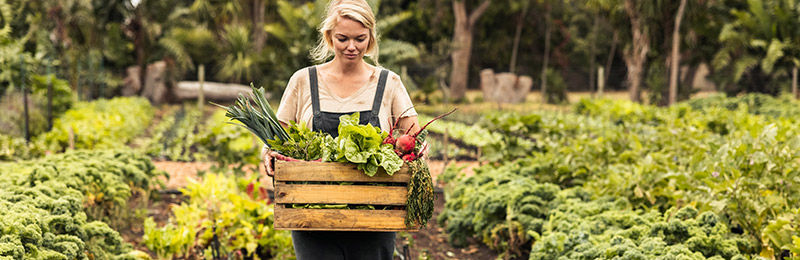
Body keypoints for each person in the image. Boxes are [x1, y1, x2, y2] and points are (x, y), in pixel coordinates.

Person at [260, 0, 421, 259]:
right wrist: (268, 153)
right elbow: (277, 140)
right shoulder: (304, 80)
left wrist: (418, 150)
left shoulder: (388, 82)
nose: (351, 47)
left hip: (375, 215)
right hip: (312, 215)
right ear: (329, 36)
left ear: (370, 37)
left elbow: (415, 135)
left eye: (360, 38)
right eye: (342, 38)